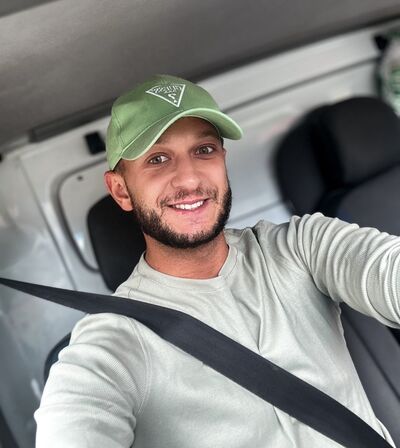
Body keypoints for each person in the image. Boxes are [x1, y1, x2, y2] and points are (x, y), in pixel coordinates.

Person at [34, 74, 400, 447]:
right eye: (158, 159)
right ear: (121, 190)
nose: (189, 178)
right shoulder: (113, 342)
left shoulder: (302, 246)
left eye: (204, 150)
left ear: (223, 161)